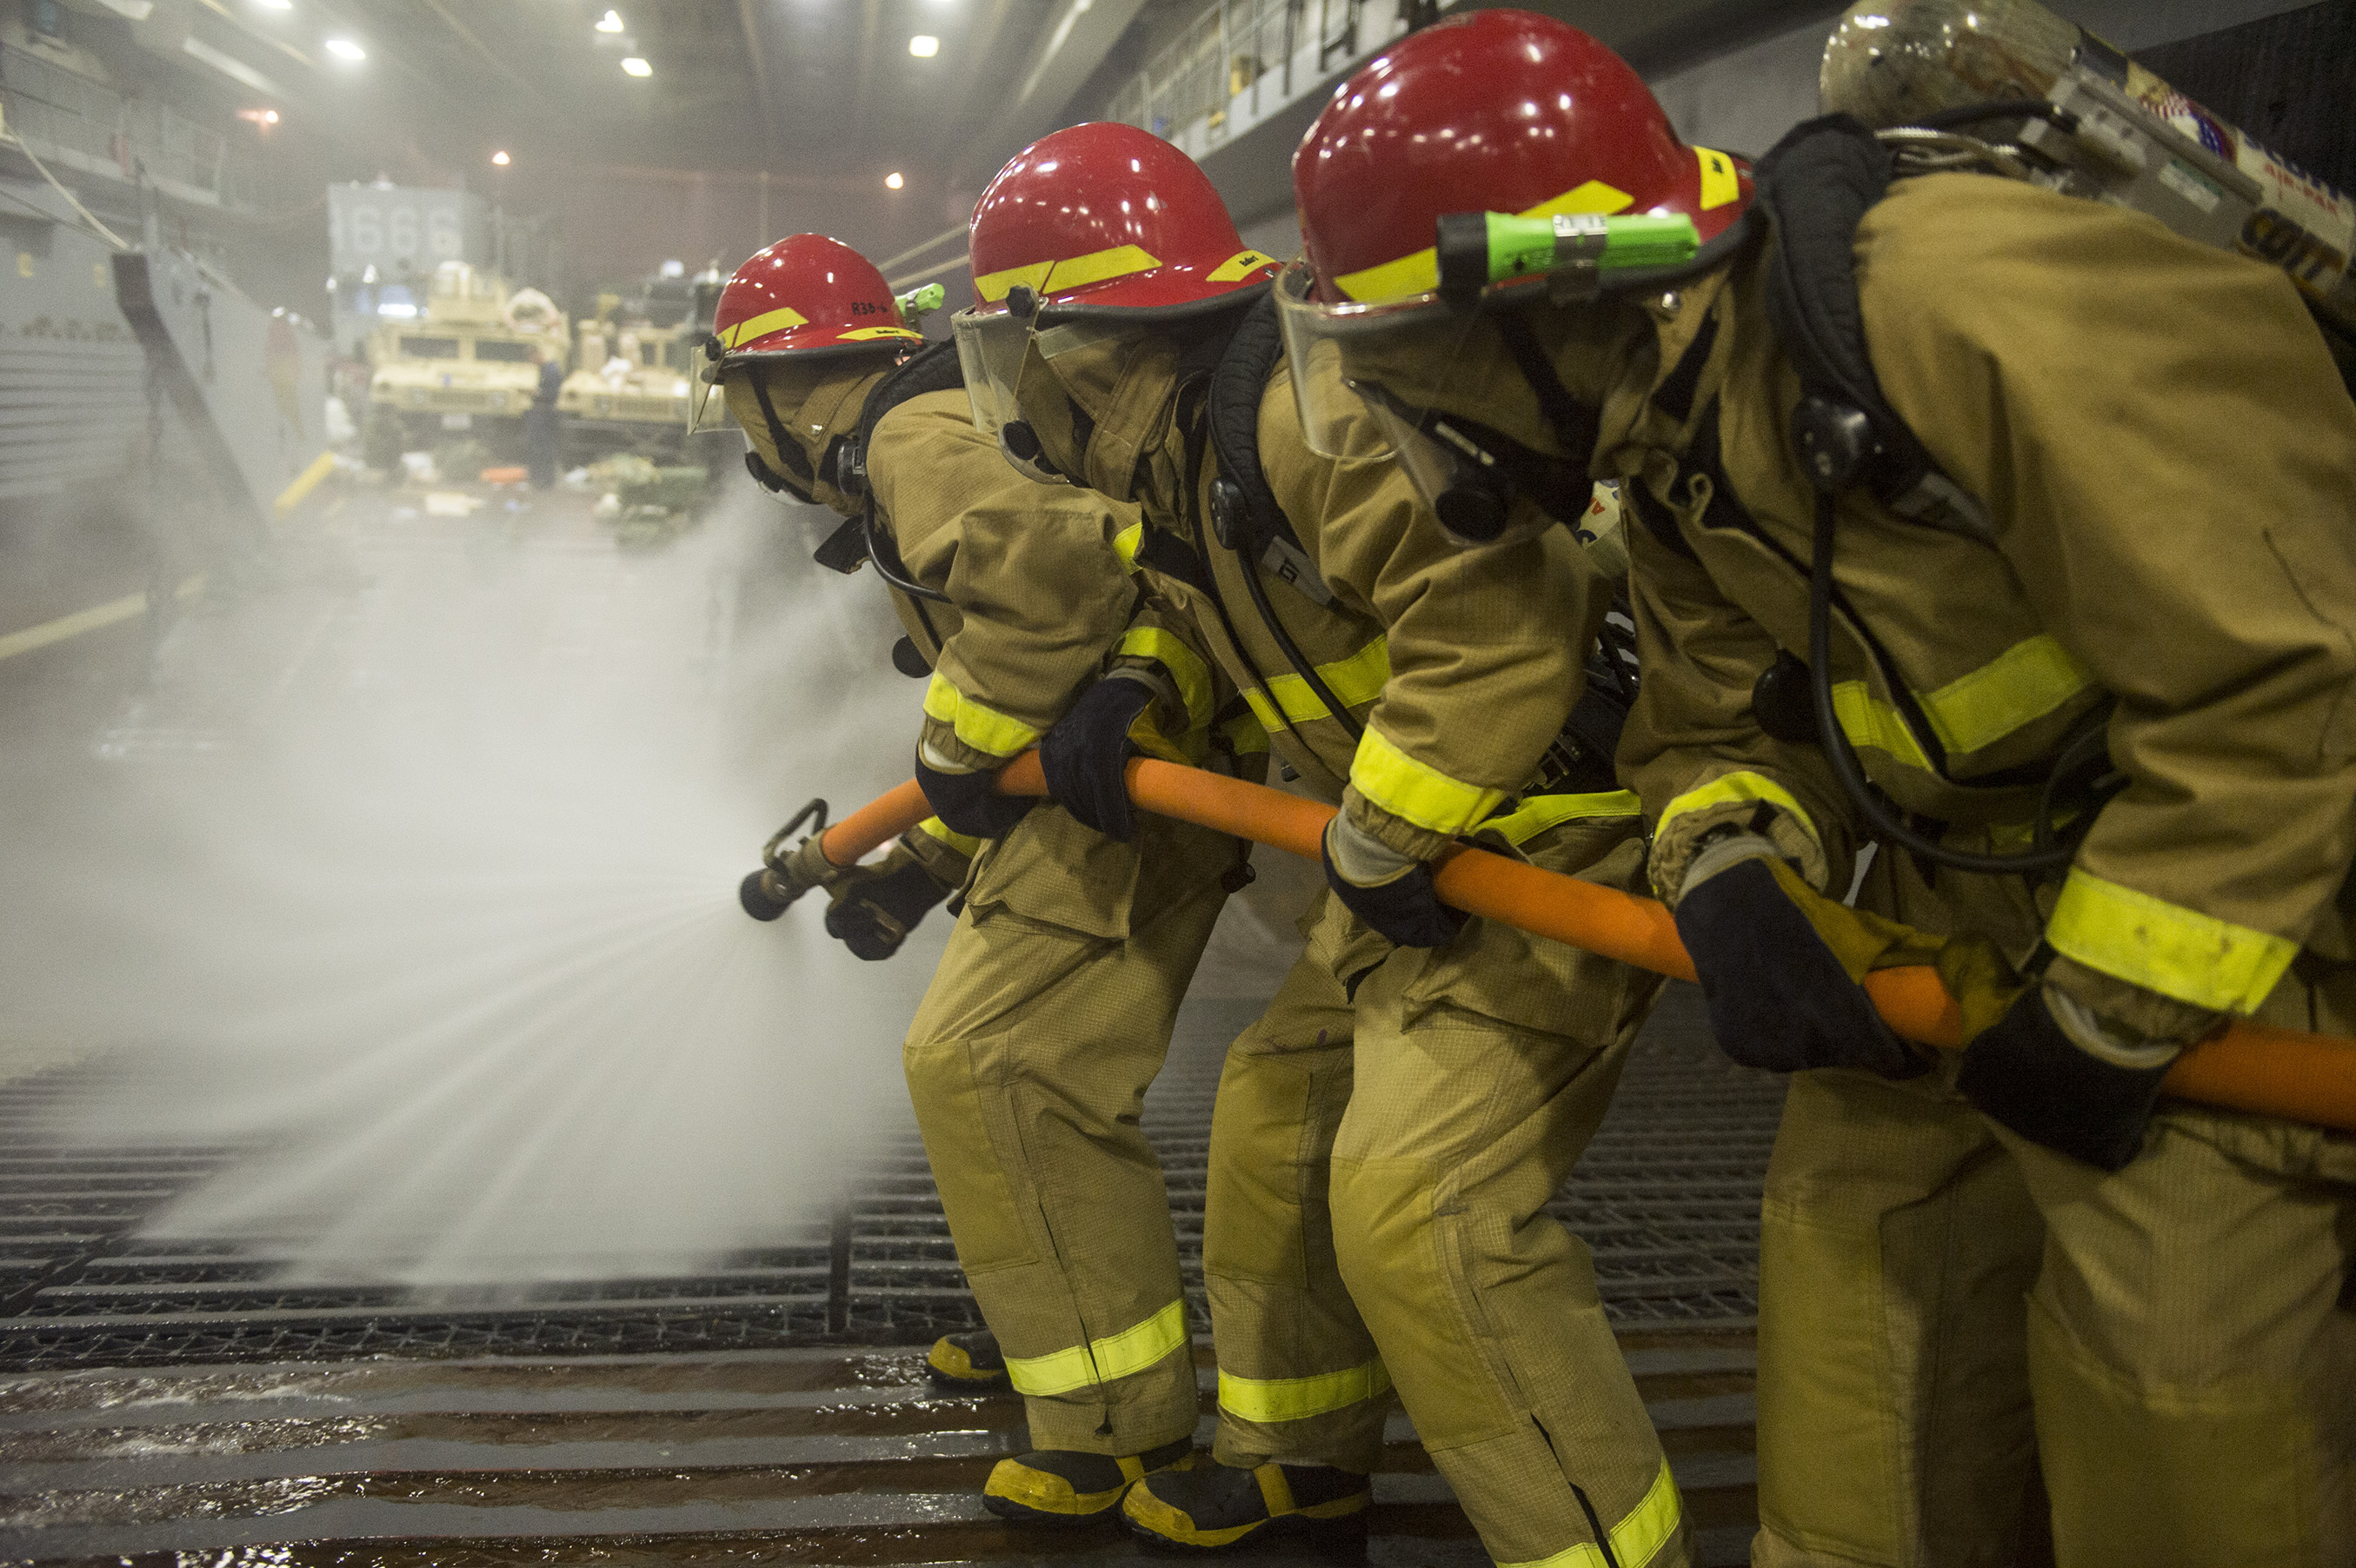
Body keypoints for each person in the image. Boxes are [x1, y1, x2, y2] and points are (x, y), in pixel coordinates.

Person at [1275, 10, 2356, 1564]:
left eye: (1408, 369)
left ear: (1538, 304)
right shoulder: (1671, 444)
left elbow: (2293, 678)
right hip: (1949, 922)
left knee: (2177, 1392)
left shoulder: (1964, 307)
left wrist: (2117, 1006)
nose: (1408, 429)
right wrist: (1729, 867)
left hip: (2240, 925)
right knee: (1853, 1341)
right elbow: (1717, 724)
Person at [954, 122, 1688, 1565]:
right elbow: (1247, 604)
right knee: (1276, 1113)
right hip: (1432, 849)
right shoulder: (1185, 443)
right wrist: (1141, 680)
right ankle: (1297, 1460)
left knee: (1423, 1214)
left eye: (1013, 348)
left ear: (1076, 340)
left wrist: (1378, 840)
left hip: (1544, 853)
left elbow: (1502, 630)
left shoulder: (1304, 416)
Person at [703, 233, 1257, 1523]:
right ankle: (1052, 1322)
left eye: (740, 395)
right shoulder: (923, 425)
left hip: (1131, 777)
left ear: (784, 390)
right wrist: (927, 855)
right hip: (1093, 772)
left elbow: (1049, 603)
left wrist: (947, 762)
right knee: (989, 1066)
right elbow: (1018, 691)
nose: (745, 429)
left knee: (997, 1064)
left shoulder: (910, 445)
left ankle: (1113, 1425)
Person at [524, 343, 562, 488]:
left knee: (544, 447)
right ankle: (539, 479)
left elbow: (553, 393)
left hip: (545, 413)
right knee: (538, 446)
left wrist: (536, 393)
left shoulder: (551, 370)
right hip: (540, 412)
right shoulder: (544, 369)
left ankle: (546, 480)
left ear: (537, 355)